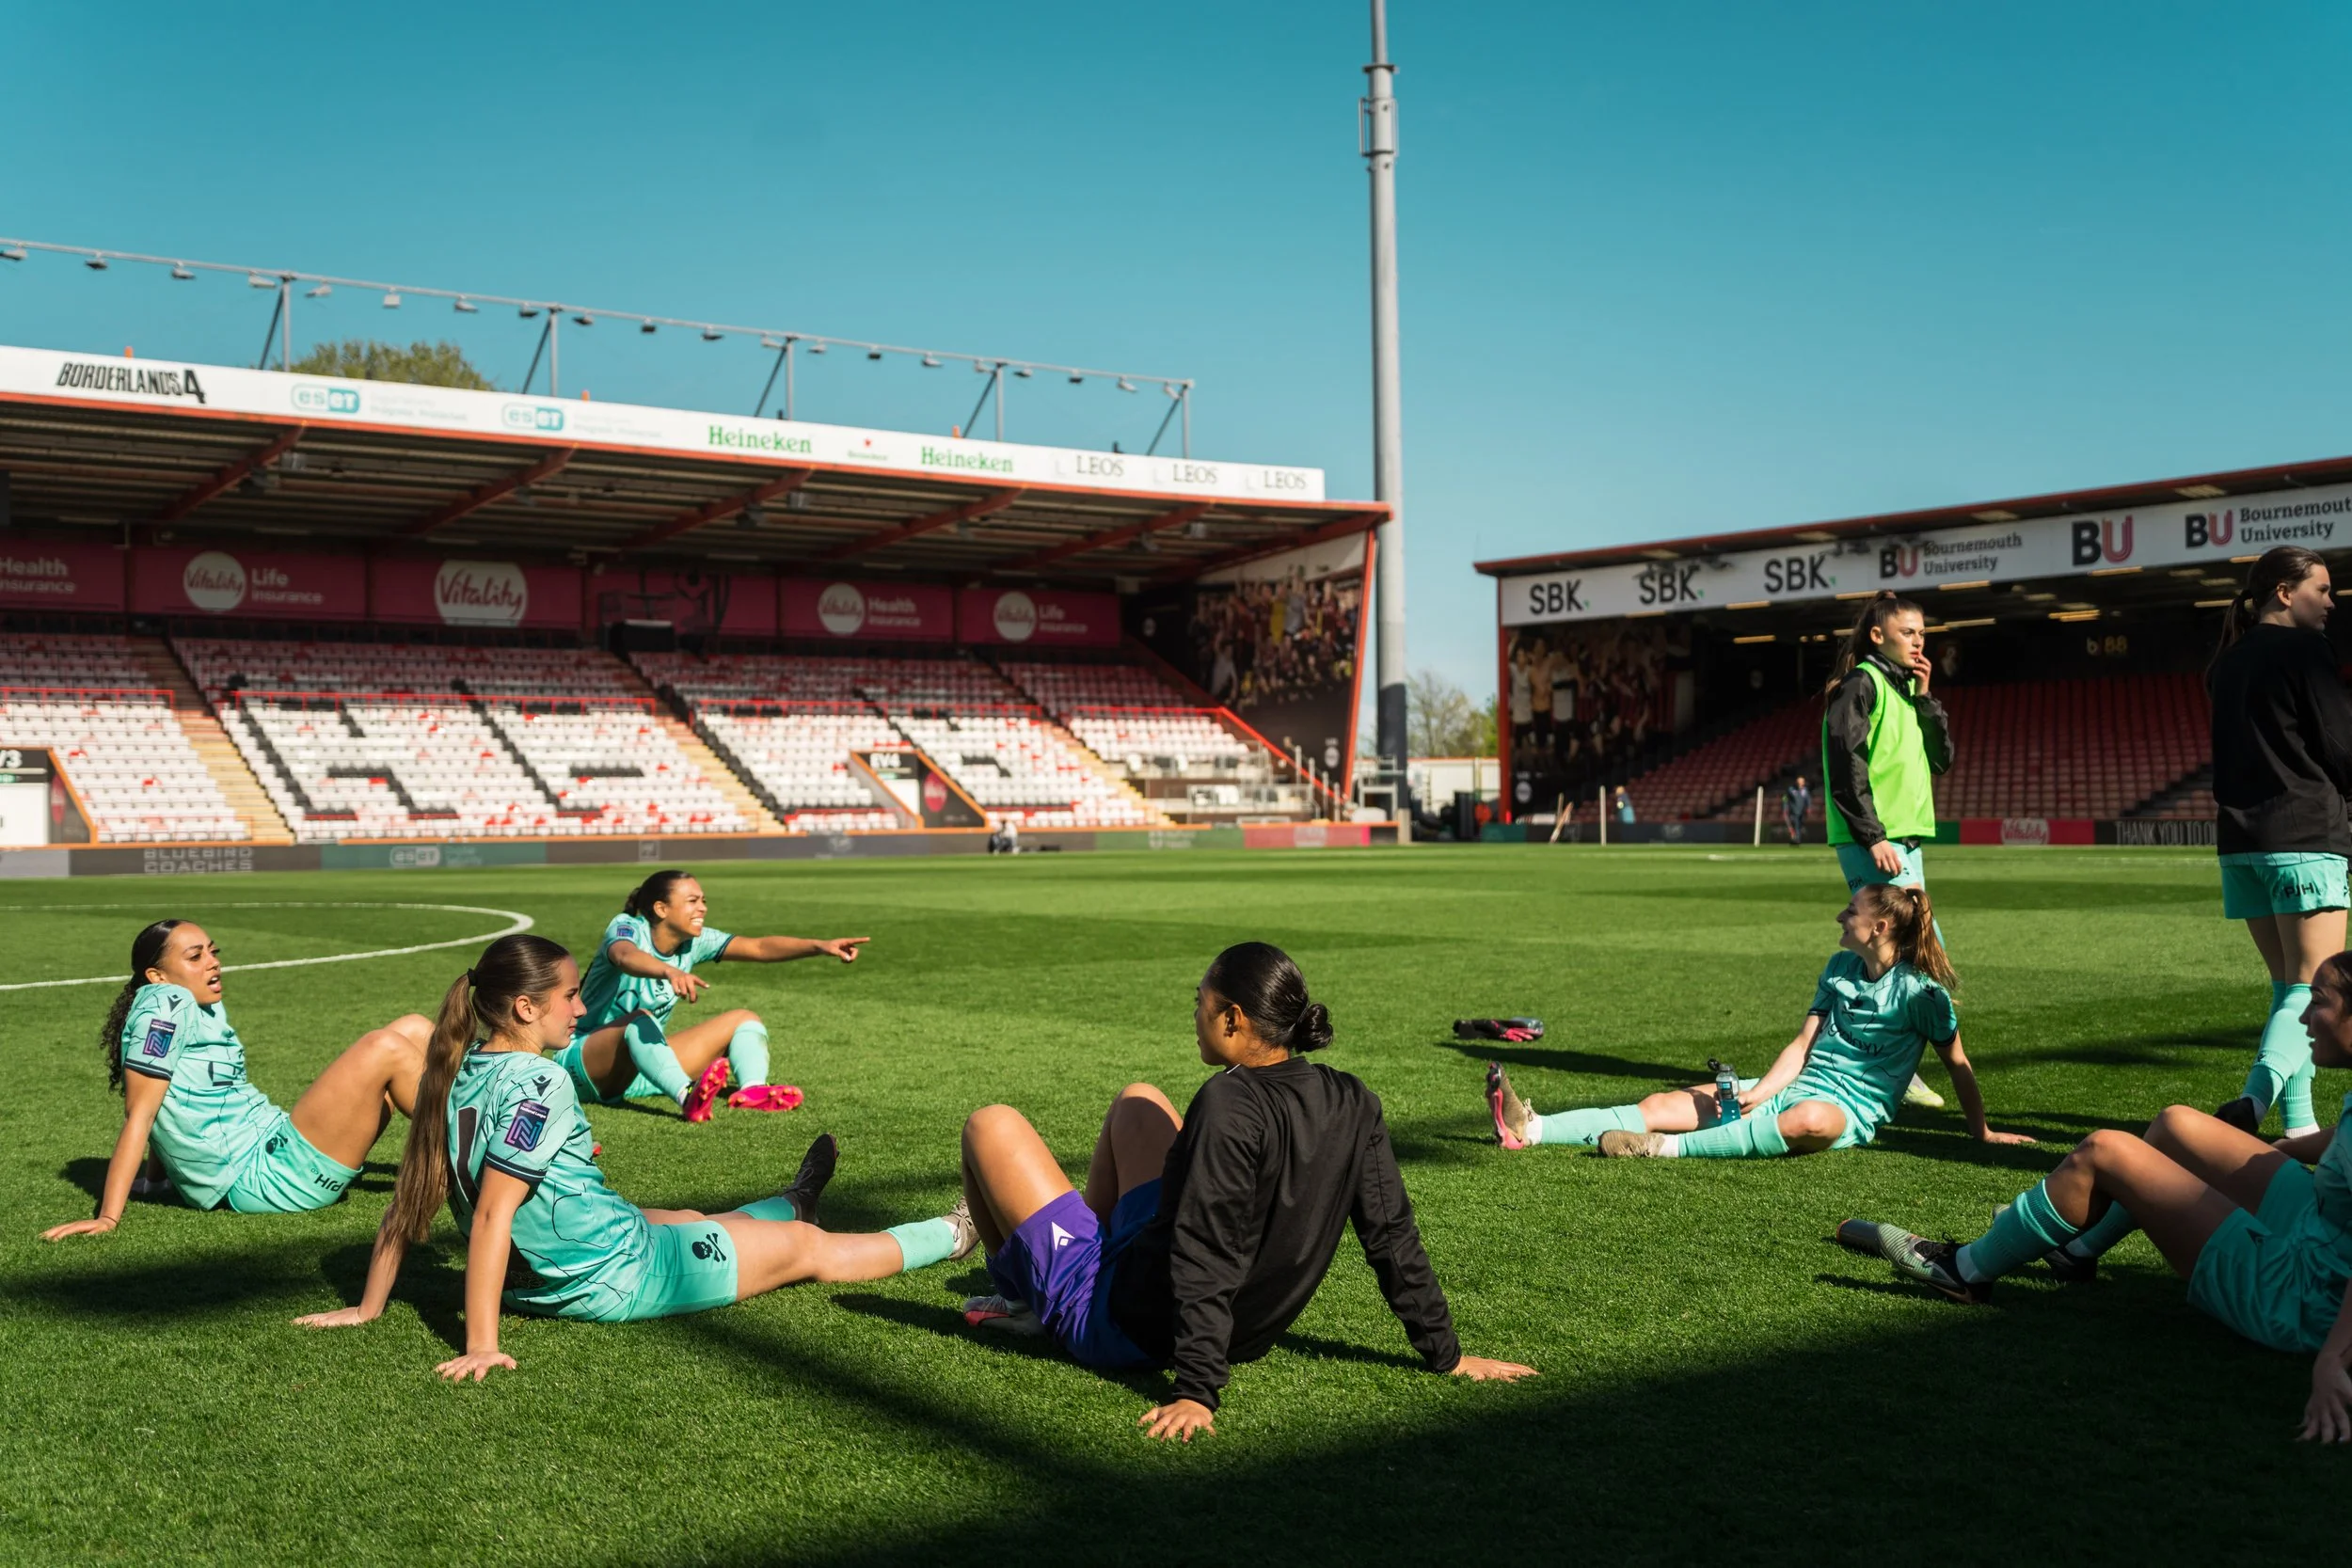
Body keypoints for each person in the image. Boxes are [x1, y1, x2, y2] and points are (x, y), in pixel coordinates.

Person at [294, 933, 974, 1379]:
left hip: (576, 1252)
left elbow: (412, 1192)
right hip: (616, 1272)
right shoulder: (539, 1080)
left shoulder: (456, 1067)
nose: (581, 1006)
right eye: (568, 996)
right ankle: (953, 1231)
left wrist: (369, 1305)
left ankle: (793, 1198)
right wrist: (479, 1344)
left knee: (682, 1212)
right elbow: (495, 1213)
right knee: (804, 1248)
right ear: (526, 1008)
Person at [953, 941, 1535, 1441]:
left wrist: (1198, 1392)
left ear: (1232, 1019)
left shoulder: (1226, 1103)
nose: (1194, 1016)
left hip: (1129, 1325)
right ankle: (1080, 1262)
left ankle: (1034, 1301)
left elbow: (1207, 1249)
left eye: (1199, 1005)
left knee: (990, 1124)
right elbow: (1391, 1233)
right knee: (1139, 1100)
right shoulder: (1354, 1100)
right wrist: (1447, 1353)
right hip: (1232, 1323)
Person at [1839, 951, 2352, 1444]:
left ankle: (1966, 1271)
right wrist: (2278, 1152)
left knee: (2106, 1151)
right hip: (2319, 1218)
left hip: (2307, 1291)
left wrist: (2332, 1357)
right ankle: (2075, 1252)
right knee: (2176, 1126)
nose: (2305, 1015)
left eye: (2321, 1000)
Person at [1485, 884, 2031, 1159]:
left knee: (1810, 1121)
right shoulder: (1841, 965)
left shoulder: (1923, 994)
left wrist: (1980, 1130)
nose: (1840, 917)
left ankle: (1662, 1151)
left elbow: (1957, 1065)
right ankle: (1531, 1128)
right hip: (1798, 1085)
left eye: (1851, 913)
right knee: (1659, 1106)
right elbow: (1802, 1043)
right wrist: (1761, 1091)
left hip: (1847, 1111)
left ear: (1880, 926)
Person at [41, 919, 431, 1239]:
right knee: (386, 1046)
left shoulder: (194, 1003)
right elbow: (142, 1114)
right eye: (195, 957)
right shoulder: (165, 1008)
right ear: (157, 975)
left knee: (414, 1028)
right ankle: (474, 1157)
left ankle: (476, 1145)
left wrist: (157, 1182)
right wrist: (108, 1217)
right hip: (263, 1177)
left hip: (275, 1144)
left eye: (213, 952)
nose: (212, 963)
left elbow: (175, 1099)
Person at [2205, 546, 2352, 1140]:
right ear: (2285, 594)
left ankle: (2297, 1124)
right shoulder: (2306, 650)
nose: (2332, 601)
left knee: (2291, 989)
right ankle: (2254, 1102)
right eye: (2321, 590)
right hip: (2304, 836)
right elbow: (2341, 748)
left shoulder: (2227, 661)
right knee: (2309, 987)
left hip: (2241, 844)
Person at [556, 869, 869, 1122]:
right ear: (661, 909)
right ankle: (686, 1096)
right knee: (640, 1021)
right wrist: (669, 971)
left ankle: (753, 1092)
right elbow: (624, 956)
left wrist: (818, 946)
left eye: (703, 900)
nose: (703, 908)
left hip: (643, 1072)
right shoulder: (628, 927)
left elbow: (758, 947)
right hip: (583, 1063)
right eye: (692, 901)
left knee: (744, 1019)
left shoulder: (695, 941)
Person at [1821, 590, 1954, 1111]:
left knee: (1913, 954)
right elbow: (1844, 760)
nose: (1919, 640)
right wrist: (1872, 835)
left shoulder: (1903, 691)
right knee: (1911, 953)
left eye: (1923, 632)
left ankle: (1883, 1055)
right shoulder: (1861, 684)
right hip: (1877, 840)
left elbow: (1941, 759)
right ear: (1878, 636)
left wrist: (1926, 696)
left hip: (1903, 839)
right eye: (1908, 631)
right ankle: (1887, 1060)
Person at [1782, 774, 1812, 847]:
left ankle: (1795, 839)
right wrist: (1785, 806)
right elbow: (1785, 798)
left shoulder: (1805, 790)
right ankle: (1796, 839)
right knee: (1796, 825)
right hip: (1793, 811)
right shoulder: (1791, 790)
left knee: (1799, 825)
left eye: (1803, 782)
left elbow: (1808, 799)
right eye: (1800, 782)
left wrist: (1809, 807)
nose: (1801, 783)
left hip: (1802, 811)